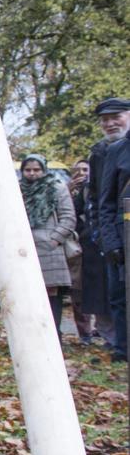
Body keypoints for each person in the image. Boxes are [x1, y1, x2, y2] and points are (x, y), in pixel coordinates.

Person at [18, 154, 76, 338]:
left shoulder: (56, 188)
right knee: (28, 295)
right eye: (28, 170)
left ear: (44, 170)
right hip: (24, 249)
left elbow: (68, 217)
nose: (32, 174)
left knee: (52, 296)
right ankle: (32, 337)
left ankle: (53, 336)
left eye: (37, 170)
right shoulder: (17, 189)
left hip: (50, 250)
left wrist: (55, 239)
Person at [91, 98, 130, 358]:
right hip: (123, 233)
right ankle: (123, 348)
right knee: (120, 296)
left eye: (117, 116)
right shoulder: (114, 151)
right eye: (105, 119)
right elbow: (103, 200)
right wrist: (110, 241)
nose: (111, 122)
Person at [68, 160, 98, 344]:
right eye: (77, 169)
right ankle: (84, 331)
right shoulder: (67, 191)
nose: (81, 173)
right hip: (76, 246)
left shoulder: (96, 188)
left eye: (85, 169)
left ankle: (99, 328)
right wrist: (68, 192)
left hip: (95, 244)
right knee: (78, 290)